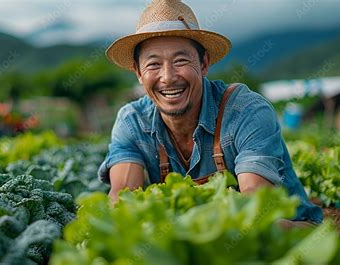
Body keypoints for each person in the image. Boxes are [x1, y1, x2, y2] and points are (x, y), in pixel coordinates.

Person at [98, 0, 322, 226]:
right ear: (138, 72)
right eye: (153, 65)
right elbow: (122, 196)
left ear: (204, 63)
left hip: (286, 235)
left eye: (181, 61)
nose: (167, 77)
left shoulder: (247, 111)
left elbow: (256, 202)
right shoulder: (132, 122)